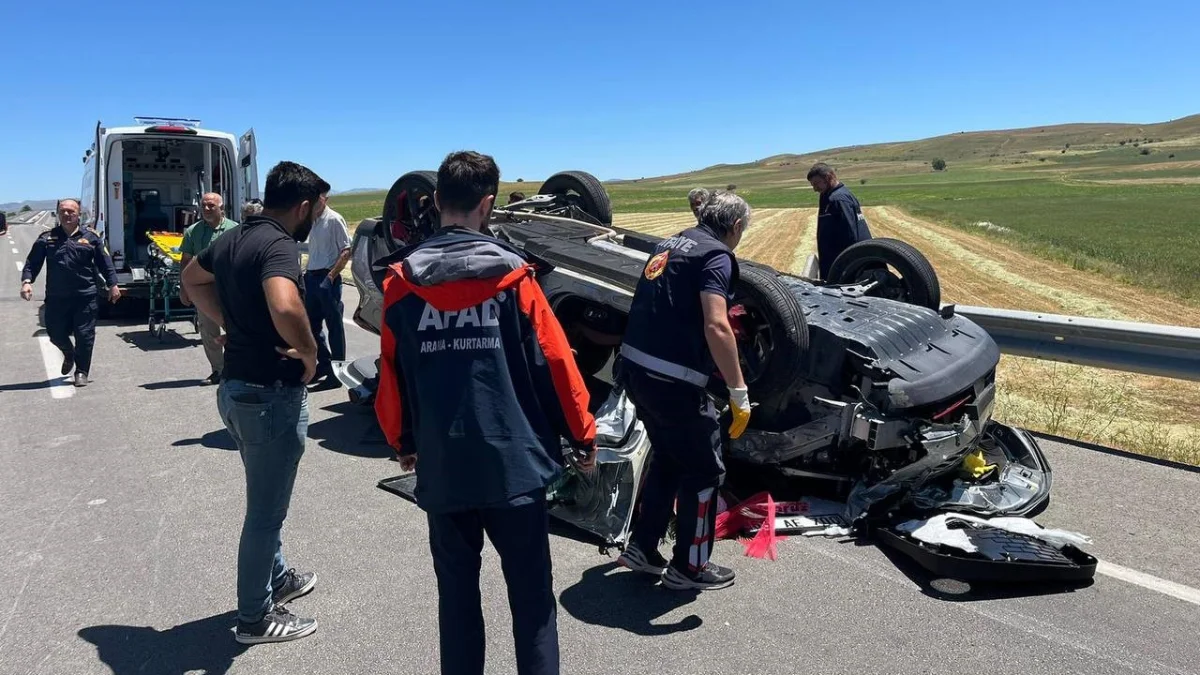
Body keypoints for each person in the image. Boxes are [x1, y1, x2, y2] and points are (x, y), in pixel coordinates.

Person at [375, 150, 597, 675]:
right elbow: (558, 367)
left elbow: (391, 374)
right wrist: (583, 438)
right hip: (515, 467)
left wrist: (403, 441)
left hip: (444, 466)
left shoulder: (400, 285)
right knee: (533, 603)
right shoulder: (517, 281)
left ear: (434, 203)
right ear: (489, 205)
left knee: (456, 599)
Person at [181, 161, 325, 645]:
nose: (315, 217)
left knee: (266, 499)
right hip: (269, 396)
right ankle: (254, 619)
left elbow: (190, 280)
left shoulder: (233, 237)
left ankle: (277, 577)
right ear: (302, 207)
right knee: (265, 514)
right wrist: (308, 350)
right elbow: (285, 304)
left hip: (236, 391)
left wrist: (229, 322)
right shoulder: (280, 245)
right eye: (316, 209)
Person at [615, 191, 753, 591]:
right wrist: (738, 390)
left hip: (637, 371)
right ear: (736, 226)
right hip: (672, 381)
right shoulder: (716, 256)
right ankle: (689, 568)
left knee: (669, 460)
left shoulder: (671, 242)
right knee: (706, 470)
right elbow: (717, 324)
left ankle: (642, 547)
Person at [19, 199, 122, 387]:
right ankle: (68, 352)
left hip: (85, 296)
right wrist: (27, 281)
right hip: (57, 297)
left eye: (71, 211)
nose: (67, 214)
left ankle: (81, 372)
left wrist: (113, 284)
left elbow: (105, 263)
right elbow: (32, 262)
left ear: (78, 214)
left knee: (85, 335)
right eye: (63, 211)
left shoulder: (91, 238)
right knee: (55, 333)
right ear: (58, 213)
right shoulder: (47, 238)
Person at [179, 192, 238, 385]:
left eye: (211, 205)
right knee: (208, 330)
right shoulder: (193, 231)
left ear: (222, 207)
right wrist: (184, 288)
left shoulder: (235, 229)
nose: (206, 209)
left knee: (236, 328)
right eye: (203, 205)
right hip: (203, 290)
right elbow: (186, 260)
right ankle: (218, 370)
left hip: (229, 288)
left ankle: (238, 368)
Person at [302, 188, 351, 384]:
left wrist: (331, 276)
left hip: (327, 277)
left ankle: (337, 373)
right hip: (312, 276)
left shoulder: (334, 219)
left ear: (326, 199)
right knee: (311, 326)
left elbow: (346, 251)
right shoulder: (312, 221)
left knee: (334, 326)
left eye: (319, 198)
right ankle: (324, 363)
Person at [806, 162, 871, 279]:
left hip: (844, 267)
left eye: (816, 184)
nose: (814, 189)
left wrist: (847, 270)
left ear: (828, 178)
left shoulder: (838, 200)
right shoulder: (831, 195)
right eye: (812, 185)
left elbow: (850, 237)